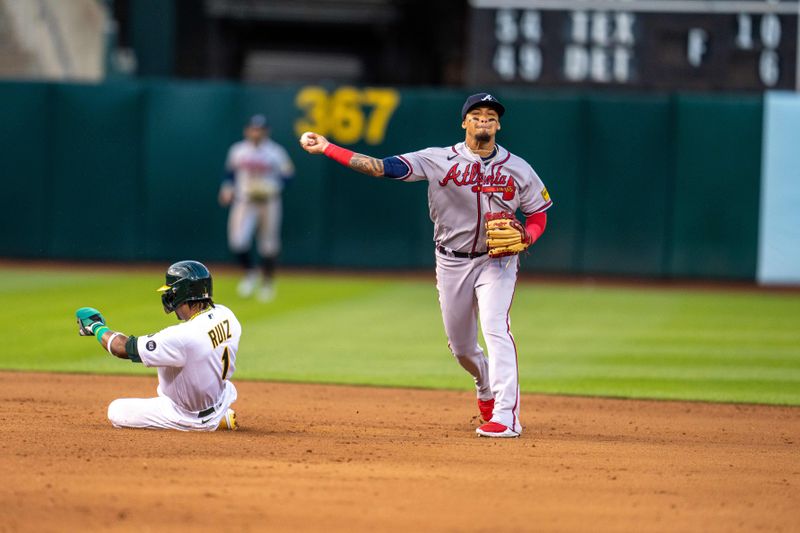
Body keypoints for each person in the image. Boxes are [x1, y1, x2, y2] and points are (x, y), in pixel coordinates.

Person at [299, 93, 552, 438]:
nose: (484, 120)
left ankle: (507, 416)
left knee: (496, 328)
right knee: (462, 348)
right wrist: (329, 147)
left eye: (491, 116)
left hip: (498, 261)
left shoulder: (518, 168)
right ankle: (484, 384)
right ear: (464, 122)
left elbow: (538, 213)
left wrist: (528, 236)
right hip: (451, 261)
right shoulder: (436, 159)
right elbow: (381, 167)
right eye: (476, 115)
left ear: (498, 125)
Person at [75, 260, 241, 432]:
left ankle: (210, 422)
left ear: (181, 293)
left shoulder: (182, 337)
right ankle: (220, 416)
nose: (169, 296)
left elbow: (121, 347)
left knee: (116, 410)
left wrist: (95, 326)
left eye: (171, 291)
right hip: (220, 398)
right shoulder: (226, 314)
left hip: (186, 415)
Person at [219, 114, 295, 302]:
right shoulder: (238, 150)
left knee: (268, 245)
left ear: (266, 131)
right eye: (253, 128)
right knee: (237, 241)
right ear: (247, 130)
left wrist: (275, 186)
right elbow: (230, 173)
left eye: (260, 129)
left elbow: (288, 174)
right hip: (244, 201)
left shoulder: (275, 152)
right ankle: (250, 274)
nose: (256, 132)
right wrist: (226, 189)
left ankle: (268, 283)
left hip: (269, 202)